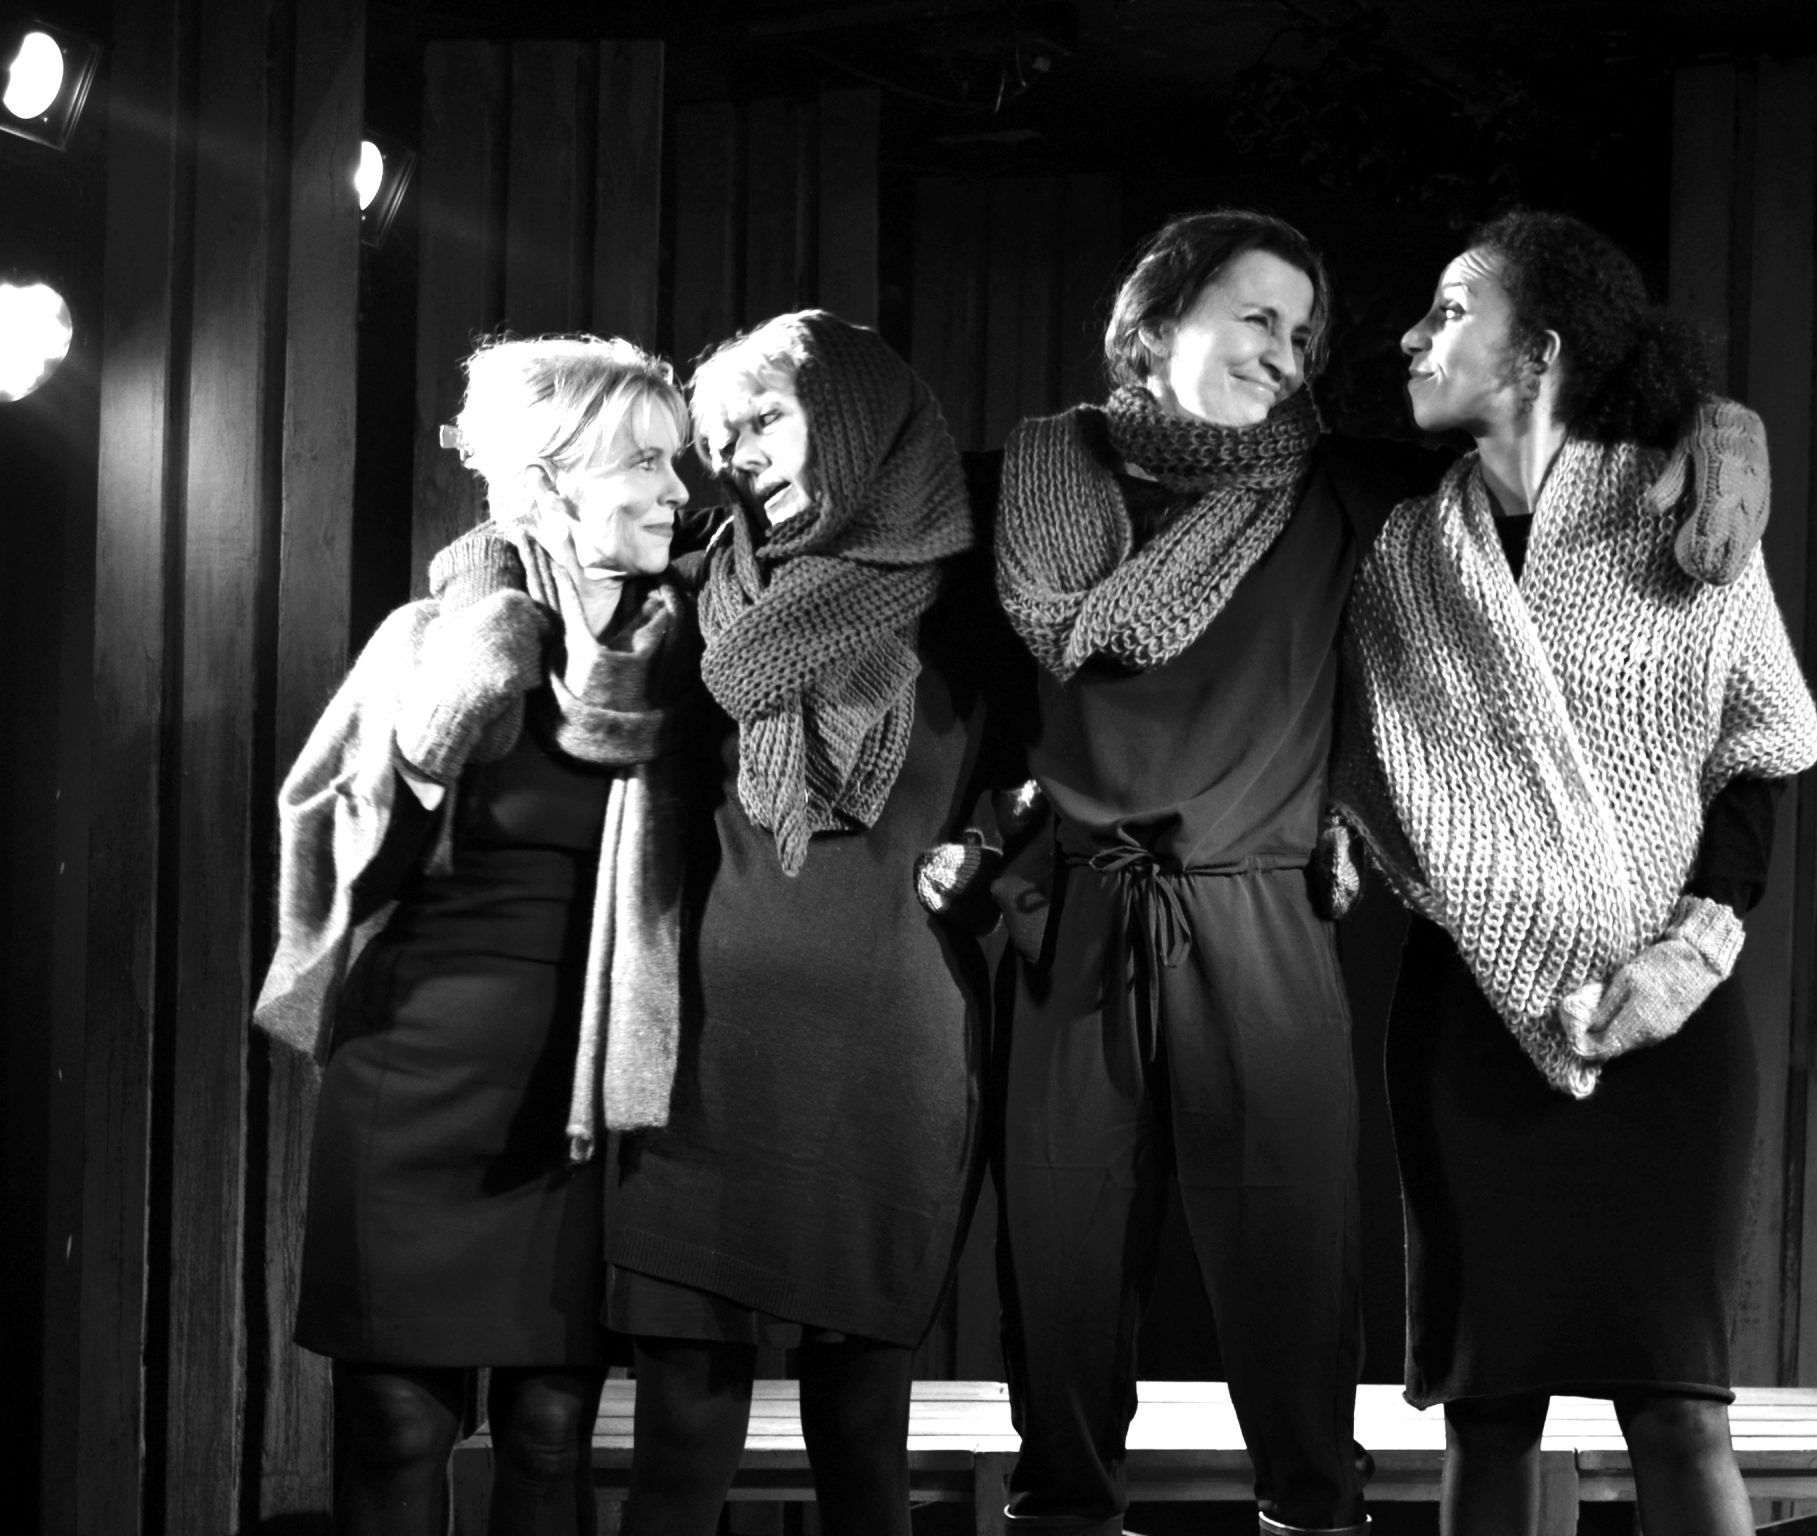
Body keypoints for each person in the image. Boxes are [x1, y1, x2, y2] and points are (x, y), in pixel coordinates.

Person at [1338, 209, 1817, 1536]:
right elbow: (1351, 742)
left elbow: (1761, 749)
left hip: (1673, 1016)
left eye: (1450, 311)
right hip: (1468, 1023)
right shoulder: (1394, 545)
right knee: (1486, 1409)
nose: (1412, 337)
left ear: (1538, 349)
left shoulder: (1679, 508)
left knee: (1678, 1409)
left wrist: (1693, 947)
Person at [985, 208, 1448, 1536]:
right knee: (1061, 1282)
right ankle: (1062, 1519)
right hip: (1080, 914)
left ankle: (1314, 1516)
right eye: (1257, 317)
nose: (1283, 355)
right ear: (1156, 320)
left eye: (1301, 335)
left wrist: (1722, 436)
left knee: (1295, 1271)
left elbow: (1549, 465)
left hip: (1259, 912)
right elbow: (863, 502)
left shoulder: (1339, 489)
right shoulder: (1035, 479)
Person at [254, 333, 692, 1536]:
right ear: (551, 480)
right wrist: (443, 728)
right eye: (643, 463)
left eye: (676, 461)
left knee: (550, 1439)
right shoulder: (433, 636)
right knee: (397, 1430)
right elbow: (337, 872)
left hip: (581, 1092)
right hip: (413, 1076)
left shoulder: (684, 656)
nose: (676, 489)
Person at [599, 310, 1023, 1536]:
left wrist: (990, 848)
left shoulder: (975, 601)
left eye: (766, 419)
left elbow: (1043, 780)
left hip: (888, 1057)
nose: (736, 456)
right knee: (679, 1442)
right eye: (720, 436)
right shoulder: (694, 590)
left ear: (850, 418)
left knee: (861, 1442)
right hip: (702, 1058)